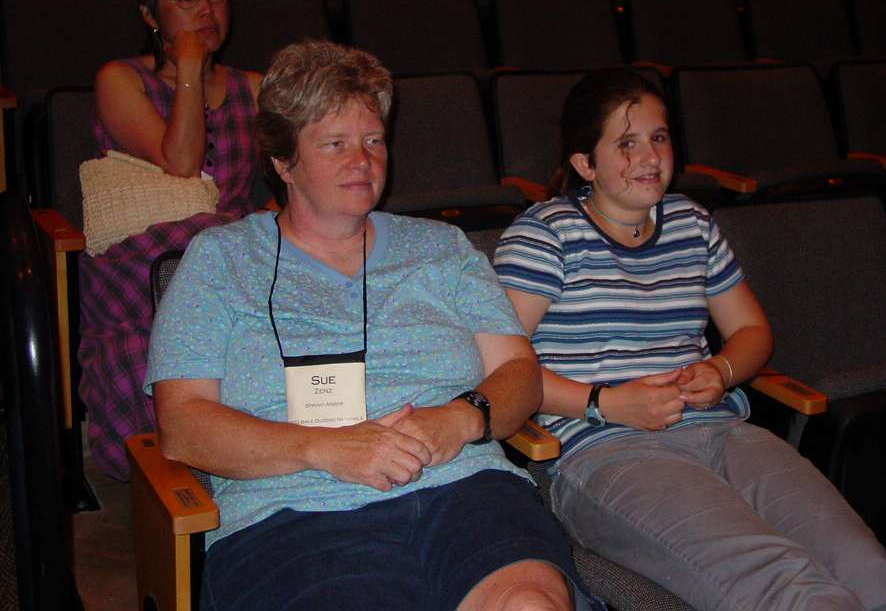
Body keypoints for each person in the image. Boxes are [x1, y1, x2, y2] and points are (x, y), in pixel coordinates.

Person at [146, 40, 596, 611]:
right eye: (335, 143)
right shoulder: (220, 260)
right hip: (294, 511)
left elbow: (519, 371)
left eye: (373, 140)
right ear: (283, 162)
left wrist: (461, 418)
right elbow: (183, 424)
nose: (362, 161)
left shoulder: (442, 248)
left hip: (462, 487)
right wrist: (325, 448)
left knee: (531, 603)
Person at [493, 69, 886, 610]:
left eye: (659, 137)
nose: (650, 157)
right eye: (627, 143)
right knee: (787, 585)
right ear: (585, 163)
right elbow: (501, 367)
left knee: (869, 571)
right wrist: (605, 403)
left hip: (721, 431)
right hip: (607, 449)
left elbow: (751, 331)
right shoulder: (544, 234)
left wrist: (722, 371)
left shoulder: (691, 222)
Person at [78, 0, 262, 480]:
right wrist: (189, 68)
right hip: (143, 268)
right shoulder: (119, 80)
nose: (206, 9)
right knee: (154, 377)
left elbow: (292, 175)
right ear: (148, 13)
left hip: (229, 259)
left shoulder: (255, 88)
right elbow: (181, 162)